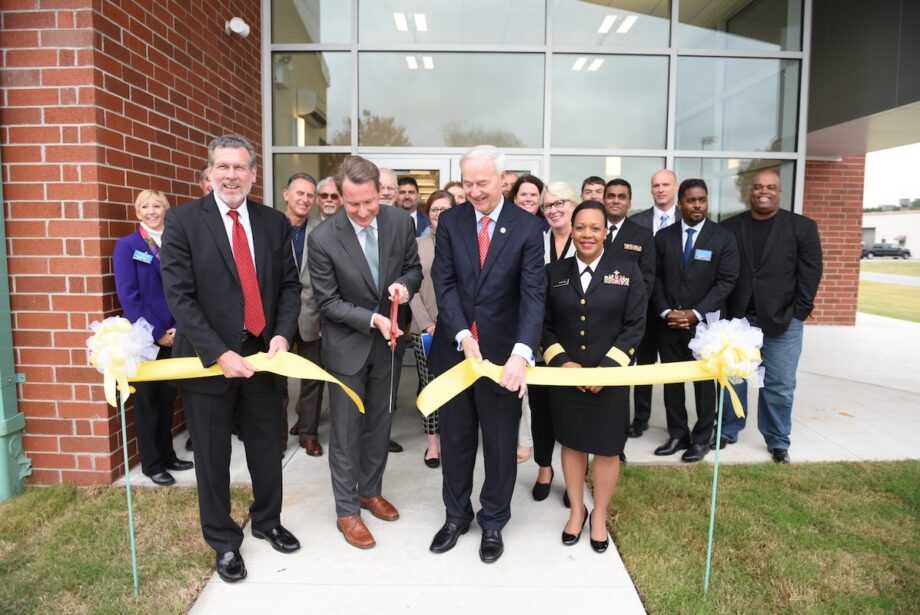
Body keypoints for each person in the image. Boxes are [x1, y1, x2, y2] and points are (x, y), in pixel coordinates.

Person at [161, 134, 302, 583]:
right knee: (212, 453)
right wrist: (219, 353)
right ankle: (223, 542)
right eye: (222, 167)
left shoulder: (274, 222)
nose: (231, 175)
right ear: (209, 173)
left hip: (263, 356)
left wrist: (281, 336)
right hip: (208, 361)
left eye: (239, 168)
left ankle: (268, 521)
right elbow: (180, 298)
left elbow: (289, 288)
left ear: (254, 174)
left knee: (267, 445)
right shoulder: (183, 222)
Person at [428, 145, 545, 564]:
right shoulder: (452, 222)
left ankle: (493, 520)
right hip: (456, 352)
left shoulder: (528, 228)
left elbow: (534, 296)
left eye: (483, 183)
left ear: (503, 179)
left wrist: (521, 354)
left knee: (499, 443)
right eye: (468, 183)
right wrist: (460, 332)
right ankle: (456, 516)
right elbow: (443, 281)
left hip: (503, 358)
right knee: (456, 439)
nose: (474, 192)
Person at [307, 155, 422, 550]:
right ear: (339, 197)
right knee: (345, 430)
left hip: (388, 347)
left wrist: (404, 288)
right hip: (347, 346)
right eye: (352, 204)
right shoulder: (322, 238)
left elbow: (413, 269)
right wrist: (373, 319)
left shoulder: (399, 223)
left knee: (379, 422)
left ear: (379, 191)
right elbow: (328, 301)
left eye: (369, 202)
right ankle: (346, 510)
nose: (362, 211)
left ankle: (370, 491)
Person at [542, 200, 646, 553]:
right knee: (571, 443)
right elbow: (543, 326)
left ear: (606, 233)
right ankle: (576, 510)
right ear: (571, 230)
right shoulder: (553, 274)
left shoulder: (628, 270)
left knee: (606, 448)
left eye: (595, 228)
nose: (587, 234)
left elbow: (635, 326)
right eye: (581, 227)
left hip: (611, 379)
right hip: (567, 379)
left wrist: (610, 369)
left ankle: (598, 514)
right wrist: (563, 365)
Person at [717, 170, 823, 464]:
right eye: (759, 187)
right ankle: (728, 429)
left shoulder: (802, 227)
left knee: (779, 383)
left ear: (780, 192)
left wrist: (798, 312)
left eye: (771, 187)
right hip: (738, 320)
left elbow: (811, 273)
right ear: (750, 192)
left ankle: (777, 440)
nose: (764, 192)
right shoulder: (730, 228)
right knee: (733, 378)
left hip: (782, 321)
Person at [652, 179, 739, 463]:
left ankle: (702, 439)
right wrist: (667, 312)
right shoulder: (663, 238)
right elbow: (655, 279)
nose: (697, 205)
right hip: (669, 325)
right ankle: (678, 435)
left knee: (704, 386)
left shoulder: (722, 238)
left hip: (705, 327)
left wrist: (694, 314)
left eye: (702, 199)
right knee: (672, 383)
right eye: (691, 200)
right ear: (680, 204)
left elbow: (725, 282)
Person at [113, 190, 193, 486]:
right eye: (144, 206)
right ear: (137, 212)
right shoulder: (127, 246)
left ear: (166, 210)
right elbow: (129, 296)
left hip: (177, 332)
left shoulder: (175, 243)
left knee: (168, 397)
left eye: (156, 205)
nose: (151, 210)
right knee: (147, 401)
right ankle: (152, 463)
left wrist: (177, 329)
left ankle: (168, 455)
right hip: (146, 337)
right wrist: (159, 333)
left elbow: (184, 288)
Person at [529, 181, 577, 502]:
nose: (554, 210)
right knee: (541, 409)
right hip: (539, 339)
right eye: (548, 205)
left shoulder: (590, 239)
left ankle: (574, 478)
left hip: (578, 342)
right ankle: (544, 466)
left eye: (560, 203)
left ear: (574, 205)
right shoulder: (536, 241)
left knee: (574, 411)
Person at [627, 169, 679, 438]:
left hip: (675, 311)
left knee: (672, 370)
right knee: (643, 367)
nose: (661, 189)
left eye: (666, 184)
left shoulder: (688, 220)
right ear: (651, 189)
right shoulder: (637, 222)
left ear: (675, 186)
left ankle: (675, 425)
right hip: (645, 309)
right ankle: (640, 417)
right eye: (656, 185)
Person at [409, 190, 456, 469]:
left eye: (445, 209)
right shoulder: (416, 244)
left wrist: (450, 323)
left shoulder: (464, 244)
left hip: (455, 329)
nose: (439, 214)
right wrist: (428, 323)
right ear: (428, 213)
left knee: (454, 387)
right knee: (430, 386)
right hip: (423, 328)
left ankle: (453, 439)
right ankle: (433, 445)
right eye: (435, 209)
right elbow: (410, 288)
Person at [281, 172, 324, 457]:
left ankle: (308, 433)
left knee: (313, 379)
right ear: (287, 195)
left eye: (310, 195)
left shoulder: (321, 230)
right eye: (300, 193)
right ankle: (276, 436)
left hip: (312, 316)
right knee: (275, 382)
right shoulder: (268, 227)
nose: (305, 199)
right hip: (276, 319)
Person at [509, 173, 548, 466]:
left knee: (541, 386)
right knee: (518, 379)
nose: (528, 199)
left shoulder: (549, 228)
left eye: (534, 194)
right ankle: (522, 438)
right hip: (515, 316)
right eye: (523, 194)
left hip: (546, 317)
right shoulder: (507, 226)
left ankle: (543, 435)